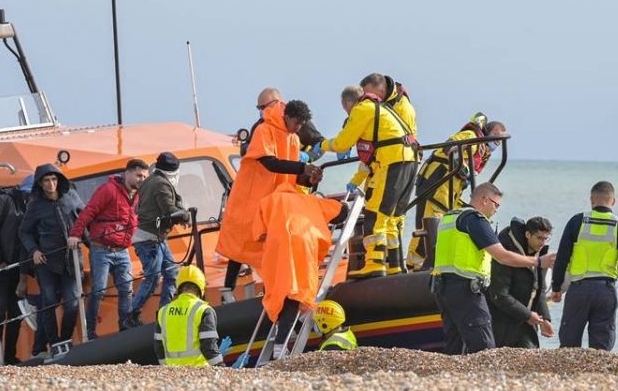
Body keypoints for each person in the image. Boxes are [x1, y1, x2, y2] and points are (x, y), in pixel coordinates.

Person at [432, 182, 556, 355]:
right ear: (484, 200)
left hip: (442, 288)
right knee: (485, 348)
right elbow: (502, 256)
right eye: (496, 204)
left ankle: (451, 380)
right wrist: (537, 262)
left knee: (456, 344)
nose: (497, 209)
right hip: (466, 290)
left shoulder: (450, 217)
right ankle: (484, 380)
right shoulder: (476, 220)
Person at [217, 100, 321, 298]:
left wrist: (309, 178)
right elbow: (270, 163)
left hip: (275, 201)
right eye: (297, 123)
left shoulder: (294, 139)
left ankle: (272, 291)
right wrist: (302, 168)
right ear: (287, 117)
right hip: (251, 197)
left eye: (302, 125)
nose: (298, 128)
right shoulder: (264, 131)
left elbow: (290, 174)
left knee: (273, 245)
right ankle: (227, 291)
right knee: (240, 245)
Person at [315, 83, 418, 278]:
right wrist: (356, 179)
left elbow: (341, 143)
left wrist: (322, 145)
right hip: (408, 161)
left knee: (375, 214)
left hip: (391, 162)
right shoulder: (383, 110)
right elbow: (368, 158)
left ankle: (375, 264)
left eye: (345, 109)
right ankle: (394, 265)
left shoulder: (362, 109)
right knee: (392, 217)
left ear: (347, 103)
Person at [253, 182, 348, 358]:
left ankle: (285, 337)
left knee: (280, 292)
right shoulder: (310, 201)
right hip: (303, 249)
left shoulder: (267, 201)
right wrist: (346, 205)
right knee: (296, 293)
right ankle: (281, 346)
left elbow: (259, 234)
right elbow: (341, 212)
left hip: (276, 253)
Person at [406, 114, 507, 270]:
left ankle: (424, 263)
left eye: (499, 142)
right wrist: (461, 160)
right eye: (495, 137)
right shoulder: (471, 137)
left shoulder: (482, 152)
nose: (496, 143)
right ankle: (417, 265)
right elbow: (450, 148)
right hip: (437, 185)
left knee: (440, 224)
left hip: (449, 191)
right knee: (430, 225)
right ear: (486, 132)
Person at [68, 159, 149, 337]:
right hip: (101, 249)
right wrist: (75, 234)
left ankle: (125, 327)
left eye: (144, 176)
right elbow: (88, 211)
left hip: (122, 250)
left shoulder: (138, 196)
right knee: (99, 291)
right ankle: (90, 332)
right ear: (127, 173)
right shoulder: (108, 190)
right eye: (138, 175)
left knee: (126, 288)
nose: (141, 179)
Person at [551, 181, 618, 351]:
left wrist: (556, 287)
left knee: (569, 345)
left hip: (579, 289)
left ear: (592, 200)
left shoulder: (577, 221)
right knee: (602, 348)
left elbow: (562, 257)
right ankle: (599, 377)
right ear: (613, 201)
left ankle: (568, 375)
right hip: (606, 291)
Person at [19, 164, 85, 348]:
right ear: (40, 184)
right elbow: (24, 232)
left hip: (71, 259)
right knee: (49, 302)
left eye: (54, 179)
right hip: (46, 262)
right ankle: (55, 343)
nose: (51, 184)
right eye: (46, 180)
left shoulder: (71, 197)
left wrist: (89, 242)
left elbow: (84, 218)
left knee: (72, 303)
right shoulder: (35, 206)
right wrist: (34, 251)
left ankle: (65, 339)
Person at [128, 153, 190, 326]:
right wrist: (185, 216)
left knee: (172, 273)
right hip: (149, 239)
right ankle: (131, 314)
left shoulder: (151, 180)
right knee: (153, 278)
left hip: (155, 238)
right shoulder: (161, 184)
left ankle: (165, 311)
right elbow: (169, 211)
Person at [0, 175, 35, 364]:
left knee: (16, 313)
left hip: (17, 268)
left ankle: (9, 356)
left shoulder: (27, 208)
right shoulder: (2, 201)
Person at [487, 216, 554, 348]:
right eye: (539, 238)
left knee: (531, 359)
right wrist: (528, 315)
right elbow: (500, 295)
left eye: (546, 239)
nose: (543, 243)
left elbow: (539, 290)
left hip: (527, 321)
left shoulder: (540, 255)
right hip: (502, 322)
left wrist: (545, 318)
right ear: (528, 234)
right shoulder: (507, 253)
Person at [153, 265, 224, 366]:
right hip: (199, 370)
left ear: (179, 287)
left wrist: (166, 368)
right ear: (201, 287)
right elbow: (208, 346)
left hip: (172, 371)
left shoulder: (163, 311)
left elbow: (158, 346)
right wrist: (221, 366)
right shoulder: (203, 310)